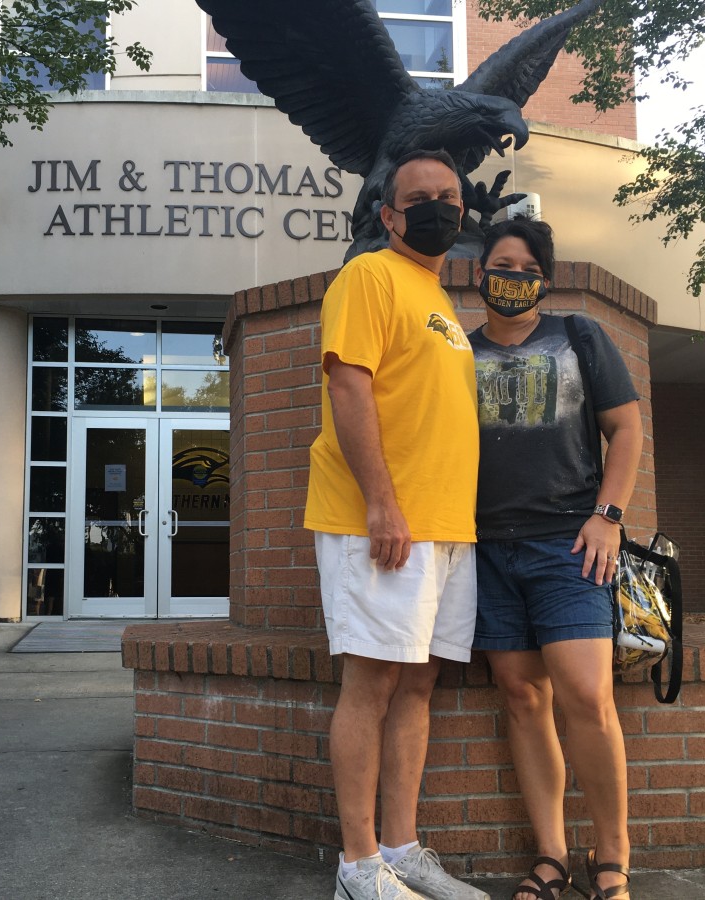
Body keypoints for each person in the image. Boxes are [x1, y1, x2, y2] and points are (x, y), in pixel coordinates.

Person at [305, 148, 489, 900]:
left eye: (449, 196)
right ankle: (358, 869)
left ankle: (401, 850)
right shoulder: (369, 276)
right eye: (420, 198)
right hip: (382, 524)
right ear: (388, 215)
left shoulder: (439, 299)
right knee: (371, 684)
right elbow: (349, 386)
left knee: (417, 686)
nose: (438, 207)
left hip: (445, 529)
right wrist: (381, 502)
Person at [466, 217, 643, 900]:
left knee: (587, 697)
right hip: (486, 550)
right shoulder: (459, 352)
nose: (512, 279)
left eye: (527, 270)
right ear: (479, 273)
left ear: (545, 280)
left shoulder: (579, 335)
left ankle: (612, 858)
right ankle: (551, 857)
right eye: (501, 266)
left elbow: (625, 428)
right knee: (521, 696)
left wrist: (608, 516)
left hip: (570, 544)